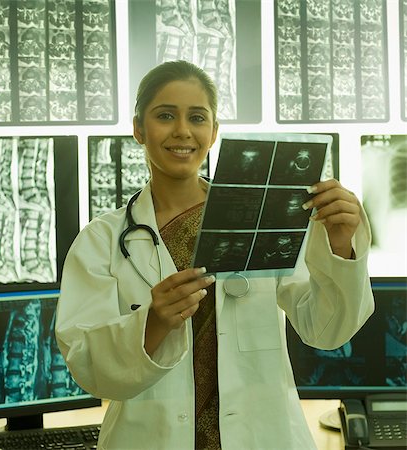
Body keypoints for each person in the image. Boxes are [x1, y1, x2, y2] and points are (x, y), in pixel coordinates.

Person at [55, 60, 374, 450]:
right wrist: (152, 323)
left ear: (213, 132)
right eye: (165, 115)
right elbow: (87, 366)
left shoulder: (263, 220)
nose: (182, 131)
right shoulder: (101, 240)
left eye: (197, 117)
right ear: (139, 128)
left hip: (264, 436)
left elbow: (327, 330)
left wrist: (341, 245)